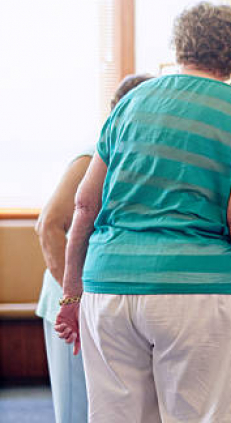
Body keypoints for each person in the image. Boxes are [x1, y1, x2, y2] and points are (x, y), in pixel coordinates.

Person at [54, 2, 231, 422]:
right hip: (196, 290)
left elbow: (86, 204)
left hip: (109, 286)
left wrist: (70, 295)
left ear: (181, 46)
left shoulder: (131, 102)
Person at [34, 74, 152, 423]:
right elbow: (49, 226)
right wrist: (75, 299)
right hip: (71, 301)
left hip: (108, 301)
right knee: (77, 410)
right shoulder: (92, 156)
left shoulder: (134, 159)